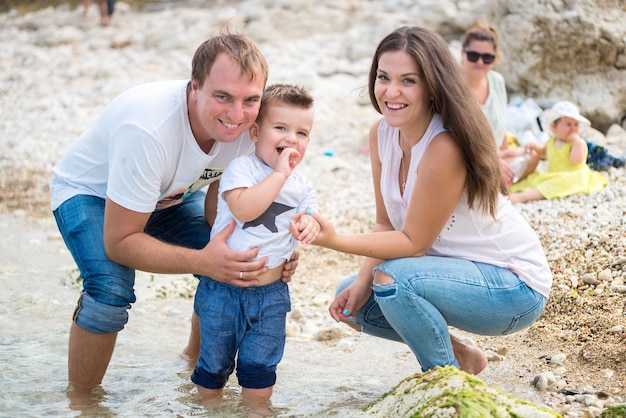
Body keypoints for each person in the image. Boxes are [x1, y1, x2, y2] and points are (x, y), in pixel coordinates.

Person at [49, 30, 301, 398]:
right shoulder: (149, 129)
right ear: (194, 86)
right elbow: (120, 243)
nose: (237, 115)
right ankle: (82, 401)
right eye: (223, 97)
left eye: (250, 100)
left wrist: (276, 249)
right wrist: (204, 259)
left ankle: (193, 371)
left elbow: (230, 207)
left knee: (237, 263)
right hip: (91, 193)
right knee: (109, 288)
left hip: (170, 195)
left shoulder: (253, 125)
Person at [292, 26, 553, 375]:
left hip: (513, 287)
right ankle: (461, 355)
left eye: (408, 81)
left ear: (432, 86)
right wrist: (359, 283)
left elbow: (413, 244)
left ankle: (446, 386)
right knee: (356, 300)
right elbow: (386, 224)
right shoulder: (381, 134)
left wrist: (332, 240)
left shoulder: (444, 145)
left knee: (393, 280)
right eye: (383, 77)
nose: (391, 91)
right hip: (457, 275)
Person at [191, 83, 320, 404]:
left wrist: (309, 226)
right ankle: (207, 409)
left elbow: (311, 219)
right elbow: (245, 208)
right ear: (255, 132)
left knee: (260, 370)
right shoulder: (241, 168)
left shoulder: (303, 188)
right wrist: (278, 175)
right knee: (213, 369)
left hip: (270, 295)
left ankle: (257, 410)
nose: (292, 138)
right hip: (223, 290)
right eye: (281, 128)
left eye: (302, 133)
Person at [460, 22, 539, 184]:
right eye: (473, 55)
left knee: (532, 155)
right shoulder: (453, 86)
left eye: (487, 58)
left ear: (495, 58)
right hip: (468, 159)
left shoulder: (497, 81)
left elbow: (501, 127)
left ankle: (502, 184)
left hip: (494, 154)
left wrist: (504, 155)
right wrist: (493, 162)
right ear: (463, 53)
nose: (480, 62)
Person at [509, 101, 608, 203]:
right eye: (568, 124)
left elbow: (576, 161)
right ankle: (511, 191)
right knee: (534, 180)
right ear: (554, 127)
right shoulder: (552, 141)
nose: (573, 128)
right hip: (554, 175)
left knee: (548, 186)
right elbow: (545, 153)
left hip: (573, 177)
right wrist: (536, 148)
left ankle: (522, 197)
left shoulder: (577, 144)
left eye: (576, 124)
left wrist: (576, 141)